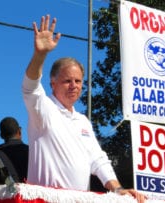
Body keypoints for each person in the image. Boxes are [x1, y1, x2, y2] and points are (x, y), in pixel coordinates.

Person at [22, 14, 146, 202]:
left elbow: (98, 160)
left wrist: (118, 189)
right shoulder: (43, 109)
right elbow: (30, 87)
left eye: (78, 81)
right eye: (67, 81)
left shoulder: (83, 121)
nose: (74, 85)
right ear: (53, 83)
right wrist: (40, 55)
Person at [0, 117, 29, 186]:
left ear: (1, 135)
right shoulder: (31, 151)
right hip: (32, 195)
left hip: (7, 195)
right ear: (19, 131)